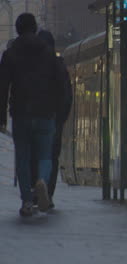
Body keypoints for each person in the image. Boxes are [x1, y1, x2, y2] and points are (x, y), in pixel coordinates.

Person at [0, 13, 63, 217]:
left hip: (21, 114)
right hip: (46, 113)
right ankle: (42, 181)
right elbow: (59, 83)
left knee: (23, 157)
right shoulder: (47, 52)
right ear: (35, 28)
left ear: (17, 29)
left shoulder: (10, 54)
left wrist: (1, 118)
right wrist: (56, 111)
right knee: (45, 155)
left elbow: (2, 88)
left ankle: (27, 200)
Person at [30, 30, 73, 209]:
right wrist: (61, 118)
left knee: (33, 155)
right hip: (53, 119)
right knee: (51, 157)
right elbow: (67, 95)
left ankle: (33, 191)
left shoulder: (30, 65)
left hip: (32, 118)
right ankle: (48, 191)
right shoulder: (59, 66)